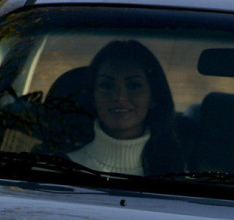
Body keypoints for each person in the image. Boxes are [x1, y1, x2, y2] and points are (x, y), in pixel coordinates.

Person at [66, 40, 184, 176]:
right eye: (106, 86)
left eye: (134, 86)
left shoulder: (179, 175)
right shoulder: (55, 169)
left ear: (153, 97)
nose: (119, 97)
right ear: (92, 96)